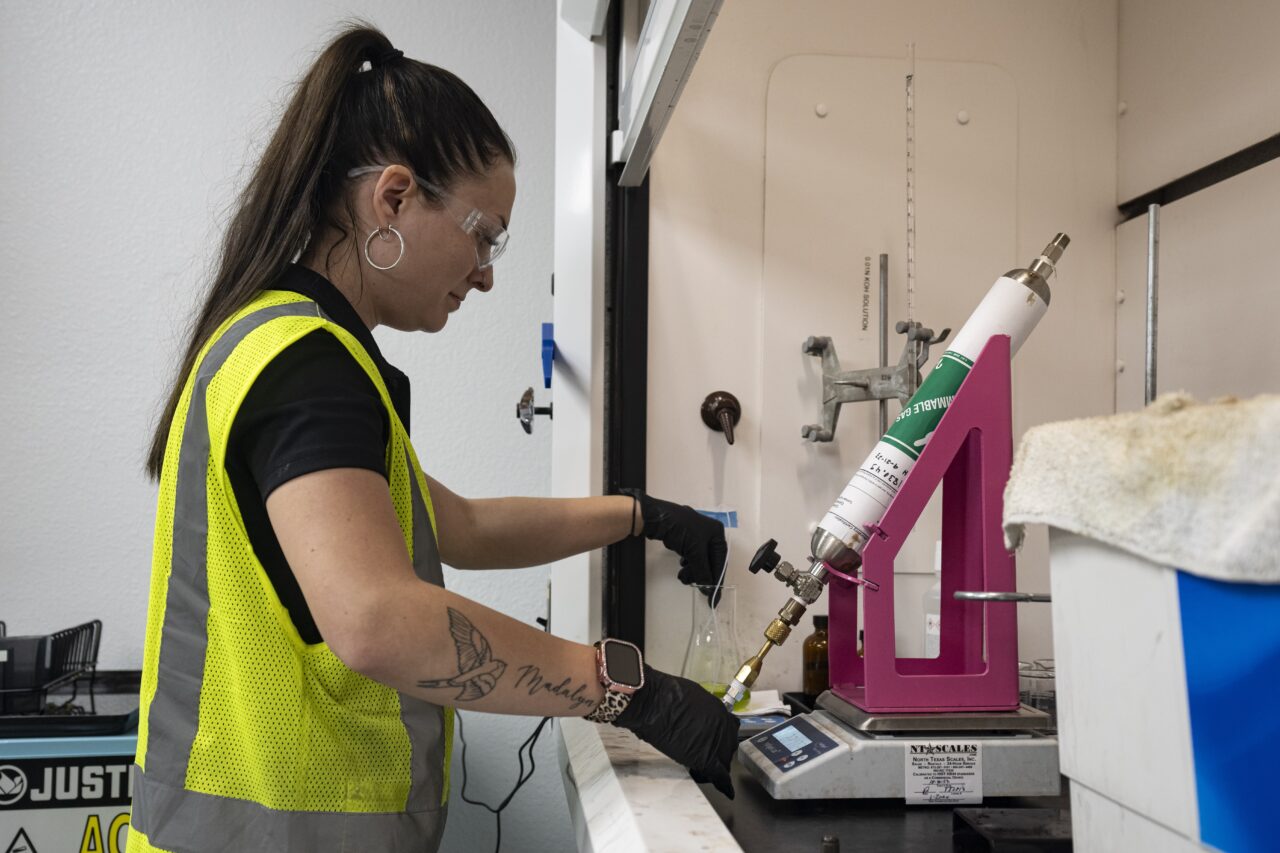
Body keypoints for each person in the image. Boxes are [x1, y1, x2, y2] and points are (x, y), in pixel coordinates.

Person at [127, 23, 740, 853]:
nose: (486, 271)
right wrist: (623, 689)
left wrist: (641, 514)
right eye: (484, 234)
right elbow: (379, 619)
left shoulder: (291, 341)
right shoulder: (305, 362)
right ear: (393, 198)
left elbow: (460, 526)